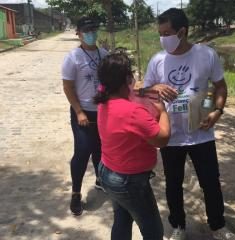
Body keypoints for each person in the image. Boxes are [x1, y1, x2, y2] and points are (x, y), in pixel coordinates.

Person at [144, 8, 235, 240]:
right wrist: (153, 88)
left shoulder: (206, 55)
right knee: (173, 184)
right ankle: (178, 226)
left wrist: (217, 111)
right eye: (160, 33)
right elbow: (144, 91)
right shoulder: (157, 60)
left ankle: (218, 225)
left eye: (167, 33)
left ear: (182, 32)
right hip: (171, 135)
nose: (162, 38)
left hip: (201, 133)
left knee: (210, 182)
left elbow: (220, 86)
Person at [94, 53, 170, 240]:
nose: (134, 79)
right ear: (126, 79)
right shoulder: (133, 112)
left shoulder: (104, 102)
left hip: (109, 172)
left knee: (122, 218)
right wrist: (163, 112)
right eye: (131, 75)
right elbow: (162, 139)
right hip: (129, 181)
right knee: (153, 230)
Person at [61, 16, 109, 216]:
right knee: (83, 151)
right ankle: (76, 192)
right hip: (82, 112)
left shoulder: (104, 54)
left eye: (93, 30)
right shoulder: (73, 57)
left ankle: (101, 180)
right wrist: (79, 111)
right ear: (78, 33)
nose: (91, 34)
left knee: (101, 147)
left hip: (103, 111)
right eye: (86, 31)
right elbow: (68, 87)